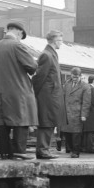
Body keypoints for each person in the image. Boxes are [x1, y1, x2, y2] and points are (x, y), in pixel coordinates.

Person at [0, 22, 38, 160]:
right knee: (22, 118)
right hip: (19, 90)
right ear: (19, 32)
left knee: (3, 120)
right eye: (21, 36)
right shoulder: (17, 45)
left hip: (0, 91)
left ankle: (4, 151)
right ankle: (19, 150)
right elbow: (32, 66)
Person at [33, 29, 65, 159]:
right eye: (60, 40)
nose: (61, 43)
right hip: (47, 96)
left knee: (50, 122)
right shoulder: (47, 55)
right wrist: (37, 94)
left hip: (51, 95)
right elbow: (39, 77)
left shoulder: (51, 54)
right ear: (55, 41)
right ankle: (42, 150)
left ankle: (44, 149)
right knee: (46, 122)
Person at [61, 67, 91, 158]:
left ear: (80, 76)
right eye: (73, 76)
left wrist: (84, 115)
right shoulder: (67, 84)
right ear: (71, 75)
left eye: (76, 77)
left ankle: (76, 152)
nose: (74, 78)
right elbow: (62, 97)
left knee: (76, 134)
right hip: (66, 113)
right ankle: (71, 149)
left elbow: (86, 102)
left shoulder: (85, 86)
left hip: (77, 114)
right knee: (67, 133)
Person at [82, 75, 94, 153]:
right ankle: (90, 148)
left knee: (87, 132)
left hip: (87, 112)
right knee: (92, 131)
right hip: (93, 112)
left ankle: (85, 147)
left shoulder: (86, 87)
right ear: (93, 80)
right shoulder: (92, 89)